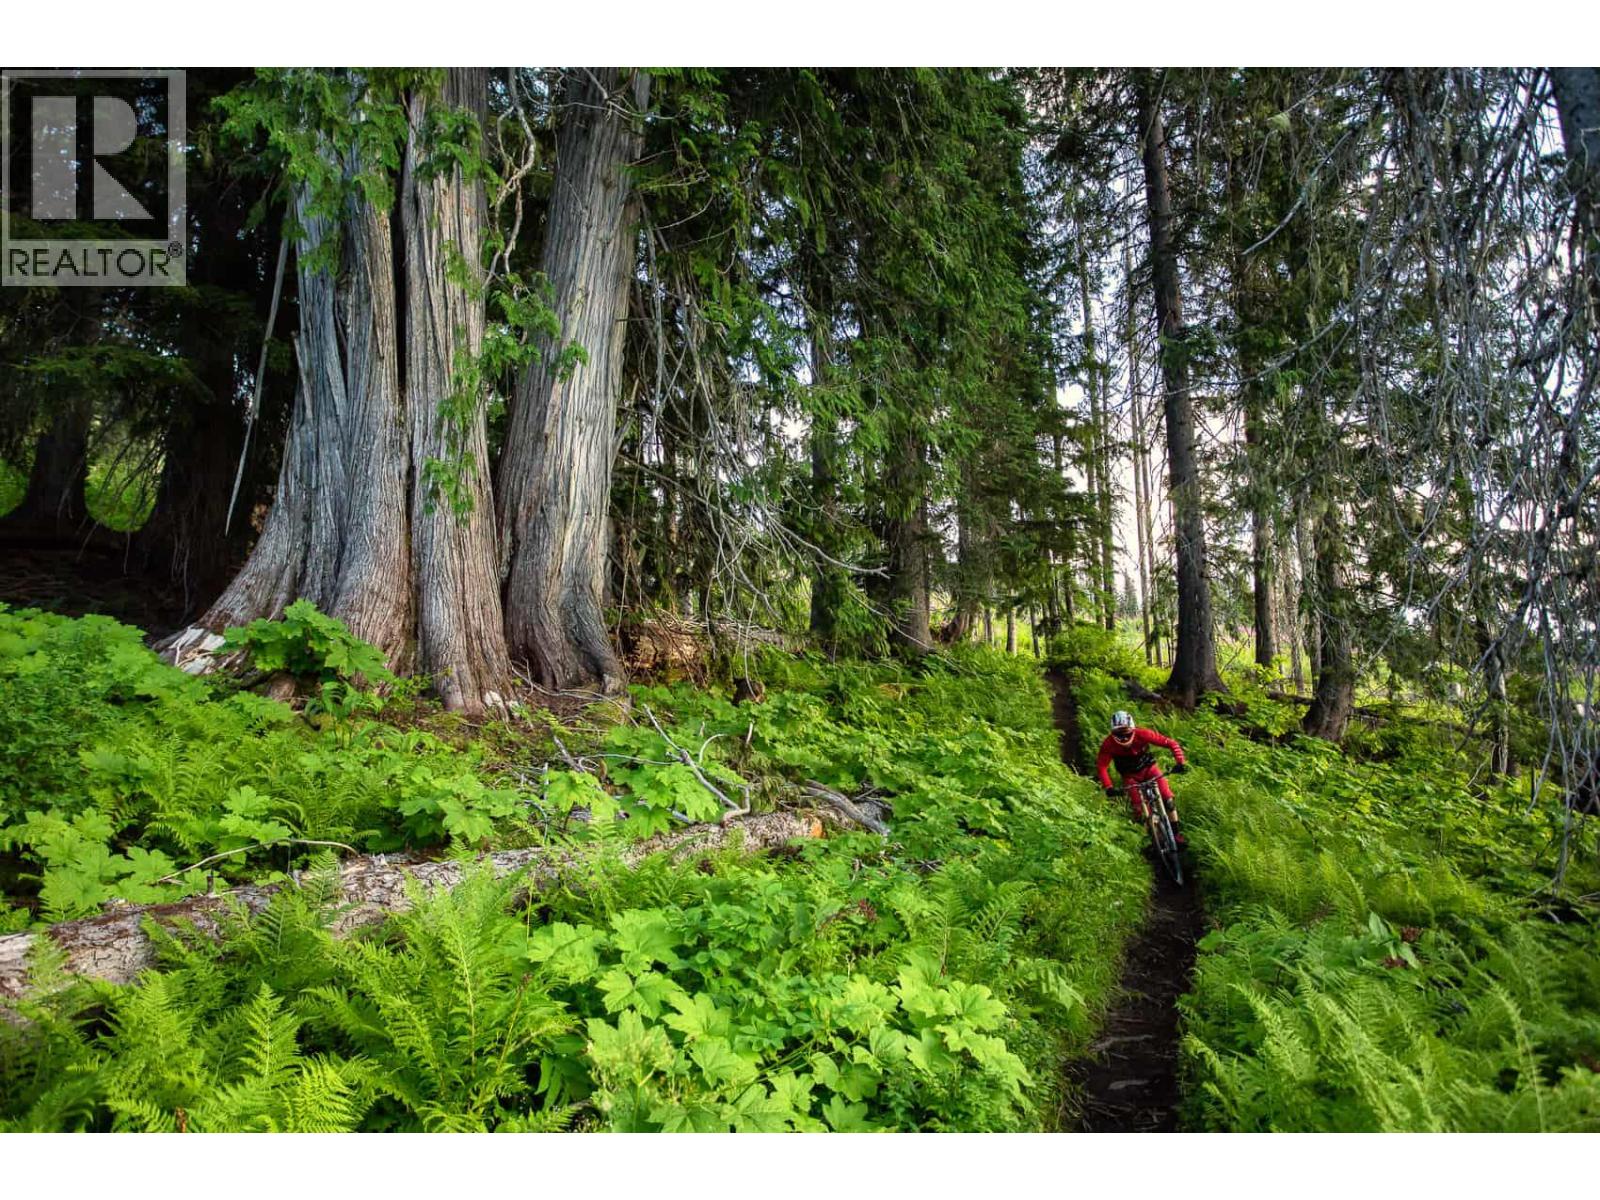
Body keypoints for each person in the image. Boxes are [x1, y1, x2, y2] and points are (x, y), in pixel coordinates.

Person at [1096, 709, 1188, 844]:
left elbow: (1170, 743)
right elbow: (1102, 766)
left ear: (1132, 728)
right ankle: (1152, 840)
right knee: (1140, 810)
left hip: (1150, 770)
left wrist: (1180, 762)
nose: (1124, 737)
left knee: (1168, 800)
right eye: (1119, 733)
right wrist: (1109, 787)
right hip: (1130, 776)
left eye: (1126, 732)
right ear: (1112, 732)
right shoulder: (1108, 744)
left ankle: (1176, 834)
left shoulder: (1143, 734)